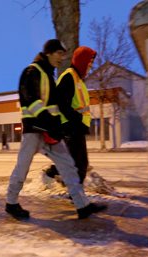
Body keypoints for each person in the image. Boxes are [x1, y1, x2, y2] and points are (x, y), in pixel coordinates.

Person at [5, 39, 106, 220]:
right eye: (59, 53)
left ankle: (82, 205)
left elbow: (54, 107)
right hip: (34, 131)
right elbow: (31, 101)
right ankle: (11, 203)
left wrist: (57, 127)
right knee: (22, 168)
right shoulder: (32, 72)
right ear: (49, 53)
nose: (62, 58)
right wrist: (50, 123)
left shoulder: (48, 75)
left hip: (50, 132)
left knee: (69, 166)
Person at [44, 46, 97, 184]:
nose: (90, 66)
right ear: (82, 61)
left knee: (73, 162)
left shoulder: (78, 79)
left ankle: (51, 173)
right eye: (89, 62)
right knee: (80, 165)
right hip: (71, 128)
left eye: (92, 63)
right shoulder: (69, 77)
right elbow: (61, 103)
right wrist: (78, 120)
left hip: (76, 128)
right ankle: (78, 200)